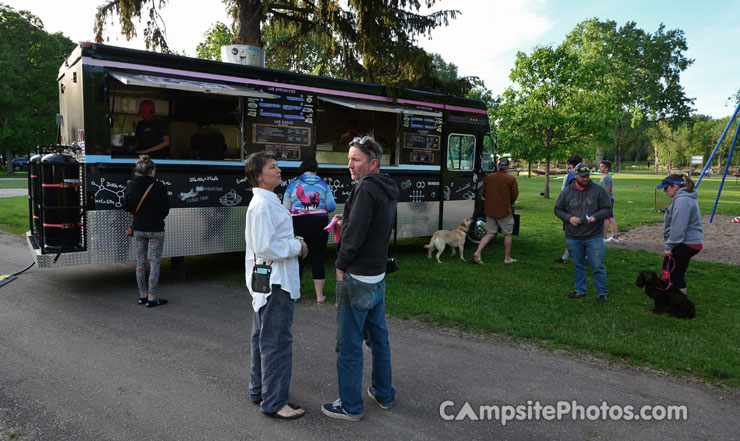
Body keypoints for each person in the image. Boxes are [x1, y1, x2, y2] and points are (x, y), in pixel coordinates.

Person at [321, 135, 398, 421]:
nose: (350, 165)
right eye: (349, 159)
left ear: (372, 163)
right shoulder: (386, 186)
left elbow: (356, 236)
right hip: (377, 274)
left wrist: (341, 264)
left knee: (350, 344)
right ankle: (384, 392)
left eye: (356, 160)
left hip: (359, 276)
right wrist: (349, 220)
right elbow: (371, 225)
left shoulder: (366, 188)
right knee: (378, 338)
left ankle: (351, 406)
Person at [244, 151, 308, 420]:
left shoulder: (267, 201)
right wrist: (298, 246)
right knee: (277, 342)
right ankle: (275, 402)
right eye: (272, 167)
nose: (279, 170)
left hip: (269, 281)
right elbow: (266, 246)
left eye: (277, 166)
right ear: (259, 176)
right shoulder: (263, 205)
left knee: (263, 337)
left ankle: (259, 390)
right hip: (276, 283)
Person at [554, 163, 612, 303]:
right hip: (574, 236)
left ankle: (602, 294)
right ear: (575, 176)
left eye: (587, 176)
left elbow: (607, 209)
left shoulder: (598, 190)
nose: (585, 179)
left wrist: (595, 217)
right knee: (578, 265)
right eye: (582, 176)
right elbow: (558, 209)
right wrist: (570, 218)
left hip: (594, 236)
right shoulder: (567, 192)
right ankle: (580, 290)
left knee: (597, 265)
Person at [282, 158, 337, 303]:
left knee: (298, 257)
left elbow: (285, 208)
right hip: (319, 223)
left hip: (298, 223)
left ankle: (295, 294)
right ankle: (319, 296)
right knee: (318, 258)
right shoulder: (323, 185)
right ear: (315, 170)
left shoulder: (293, 185)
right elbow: (331, 206)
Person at [123, 155, 170, 308]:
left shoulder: (131, 185)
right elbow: (165, 209)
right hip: (156, 229)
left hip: (139, 229)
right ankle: (151, 297)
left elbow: (126, 206)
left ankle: (142, 295)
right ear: (152, 171)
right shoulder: (159, 186)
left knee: (140, 263)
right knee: (155, 263)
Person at [656, 173, 703, 295]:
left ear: (675, 187)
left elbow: (679, 227)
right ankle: (670, 301)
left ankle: (681, 306)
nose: (664, 191)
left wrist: (669, 246)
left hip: (687, 243)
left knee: (676, 275)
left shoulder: (682, 200)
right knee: (671, 273)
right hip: (687, 242)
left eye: (666, 188)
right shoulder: (681, 198)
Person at [472, 157, 519, 265]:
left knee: (489, 233)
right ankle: (507, 258)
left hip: (490, 210)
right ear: (507, 167)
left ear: (498, 166)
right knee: (507, 234)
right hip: (504, 211)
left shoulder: (489, 177)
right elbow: (514, 195)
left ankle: (478, 252)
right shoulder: (511, 179)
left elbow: (482, 192)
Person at [554, 154, 583, 264]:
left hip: (571, 209)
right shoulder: (578, 174)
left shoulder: (572, 175)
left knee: (572, 234)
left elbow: (570, 191)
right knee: (572, 234)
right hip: (577, 207)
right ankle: (565, 257)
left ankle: (583, 258)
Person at [599, 160, 620, 242]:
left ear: (607, 168)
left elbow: (606, 190)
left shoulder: (605, 178)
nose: (600, 168)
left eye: (602, 166)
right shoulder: (607, 176)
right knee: (610, 217)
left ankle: (604, 237)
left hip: (607, 200)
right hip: (609, 199)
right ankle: (614, 236)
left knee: (607, 218)